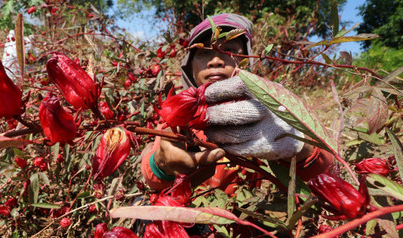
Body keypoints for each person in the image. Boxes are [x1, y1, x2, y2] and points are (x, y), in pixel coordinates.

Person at [140, 13, 335, 195]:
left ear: (246, 61)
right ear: (189, 67)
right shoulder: (178, 114)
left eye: (229, 50)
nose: (216, 60)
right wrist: (161, 165)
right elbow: (153, 180)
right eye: (203, 52)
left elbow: (326, 175)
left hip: (248, 226)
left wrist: (300, 147)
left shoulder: (269, 107)